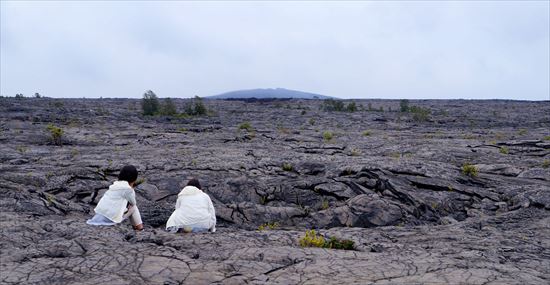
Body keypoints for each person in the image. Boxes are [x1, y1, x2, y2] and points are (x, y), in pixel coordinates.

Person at [87, 165, 144, 231]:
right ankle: (140, 229)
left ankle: (137, 228)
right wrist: (131, 188)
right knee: (133, 207)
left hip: (99, 215)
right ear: (134, 179)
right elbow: (133, 202)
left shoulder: (115, 185)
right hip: (110, 220)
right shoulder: (128, 189)